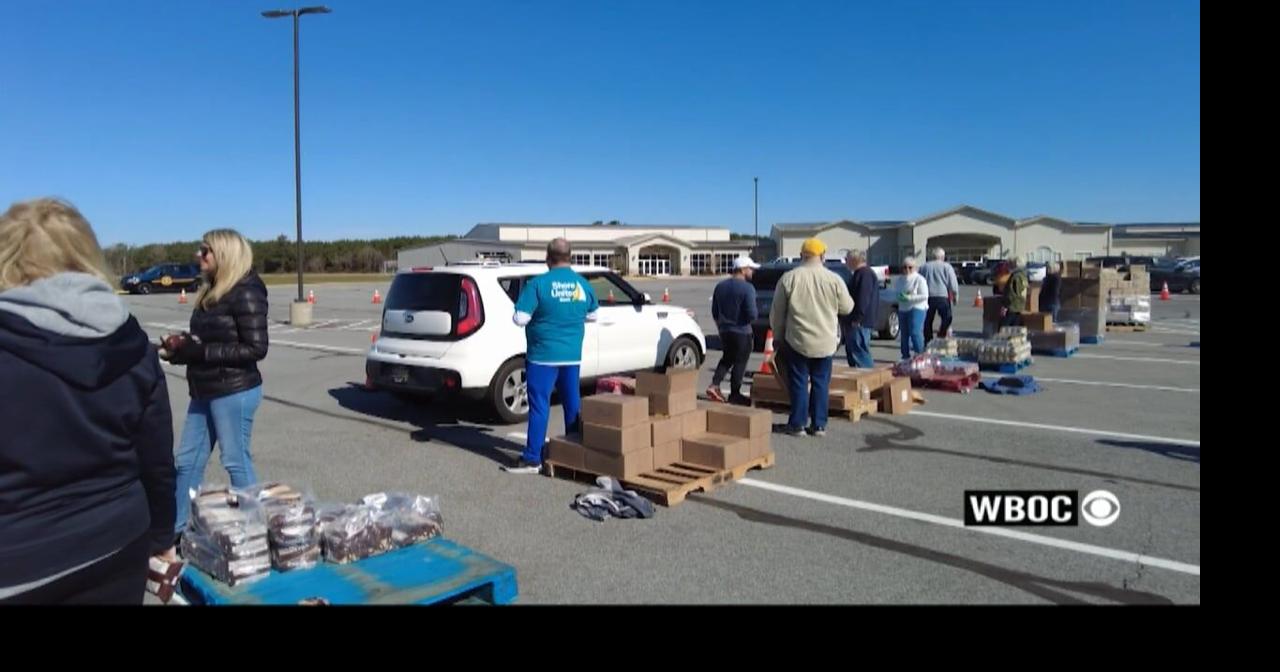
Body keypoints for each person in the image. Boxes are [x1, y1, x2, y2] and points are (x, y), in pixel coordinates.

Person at [0, 198, 176, 604]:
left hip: (20, 561)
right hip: (118, 542)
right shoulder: (130, 342)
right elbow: (157, 461)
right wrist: (163, 536)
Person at [164, 229, 269, 540]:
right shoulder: (211, 291)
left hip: (234, 389)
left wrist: (202, 352)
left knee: (235, 460)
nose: (200, 256)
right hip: (205, 387)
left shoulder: (246, 290)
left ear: (223, 254)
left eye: (205, 251)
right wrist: (184, 349)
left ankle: (256, 532)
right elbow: (207, 340)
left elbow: (256, 348)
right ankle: (177, 531)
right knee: (187, 462)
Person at [504, 238, 599, 474]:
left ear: (548, 258)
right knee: (572, 404)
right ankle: (572, 454)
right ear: (571, 257)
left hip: (542, 356)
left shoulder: (538, 284)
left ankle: (532, 458)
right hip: (572, 355)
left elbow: (520, 319)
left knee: (539, 406)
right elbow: (594, 314)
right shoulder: (582, 285)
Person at [769, 238, 854, 437]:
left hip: (797, 341)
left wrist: (778, 336)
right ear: (823, 256)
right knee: (821, 383)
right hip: (825, 342)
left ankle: (798, 424)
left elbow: (777, 313)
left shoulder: (789, 278)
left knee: (798, 382)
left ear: (802, 256)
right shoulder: (834, 279)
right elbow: (848, 307)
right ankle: (819, 425)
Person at [707, 256, 759, 405]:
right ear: (742, 270)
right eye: (750, 268)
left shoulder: (720, 286)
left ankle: (714, 384)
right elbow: (752, 314)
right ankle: (735, 394)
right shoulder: (748, 288)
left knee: (727, 358)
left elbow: (715, 311)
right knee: (740, 362)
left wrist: (720, 327)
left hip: (724, 330)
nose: (753, 272)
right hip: (742, 331)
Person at [842, 249, 879, 369]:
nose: (845, 262)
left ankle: (868, 380)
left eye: (847, 259)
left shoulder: (865, 274)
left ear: (854, 260)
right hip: (855, 320)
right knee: (853, 352)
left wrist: (857, 318)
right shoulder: (859, 274)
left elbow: (863, 298)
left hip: (860, 322)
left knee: (859, 352)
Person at [920, 247, 959, 343]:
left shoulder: (924, 267)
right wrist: (955, 296)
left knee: (927, 320)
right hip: (942, 297)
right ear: (942, 257)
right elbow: (953, 283)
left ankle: (928, 341)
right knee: (947, 318)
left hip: (927, 296)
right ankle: (941, 334)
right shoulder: (947, 267)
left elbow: (919, 281)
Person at [895, 256, 929, 360]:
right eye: (904, 267)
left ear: (915, 268)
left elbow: (925, 295)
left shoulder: (919, 279)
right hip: (903, 308)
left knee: (915, 332)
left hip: (917, 307)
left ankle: (920, 355)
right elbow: (896, 292)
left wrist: (910, 297)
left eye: (910, 267)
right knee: (904, 334)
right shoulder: (900, 279)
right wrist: (899, 296)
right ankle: (905, 356)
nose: (907, 270)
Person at [1001, 256, 1029, 327]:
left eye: (1011, 263)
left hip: (1013, 306)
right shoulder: (1022, 275)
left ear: (1015, 264)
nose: (1009, 265)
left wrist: (1006, 304)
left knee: (1006, 327)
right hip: (1018, 306)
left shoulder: (1016, 276)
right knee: (1014, 327)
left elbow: (1013, 292)